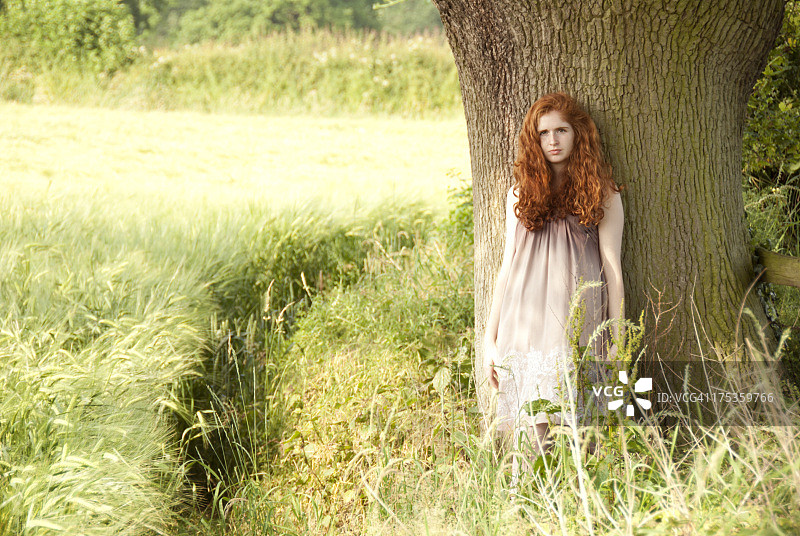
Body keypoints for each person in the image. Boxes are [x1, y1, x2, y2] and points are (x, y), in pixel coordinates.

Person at [482, 92, 625, 475]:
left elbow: (612, 267)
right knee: (532, 430)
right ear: (535, 140)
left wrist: (617, 332)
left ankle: (580, 511)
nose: (553, 141)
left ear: (578, 134)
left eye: (561, 130)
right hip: (524, 323)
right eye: (544, 133)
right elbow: (506, 268)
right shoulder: (520, 194)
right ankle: (523, 510)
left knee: (580, 427)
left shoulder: (603, 194)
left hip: (575, 319)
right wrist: (489, 339)